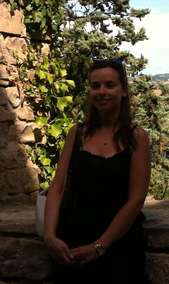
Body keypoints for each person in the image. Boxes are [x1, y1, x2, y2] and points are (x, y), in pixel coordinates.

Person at [44, 59, 151, 283]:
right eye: (95, 86)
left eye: (109, 85)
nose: (101, 92)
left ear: (123, 91)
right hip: (73, 243)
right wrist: (50, 236)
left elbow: (136, 199)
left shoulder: (136, 137)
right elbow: (57, 188)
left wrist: (100, 246)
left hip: (119, 246)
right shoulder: (78, 133)